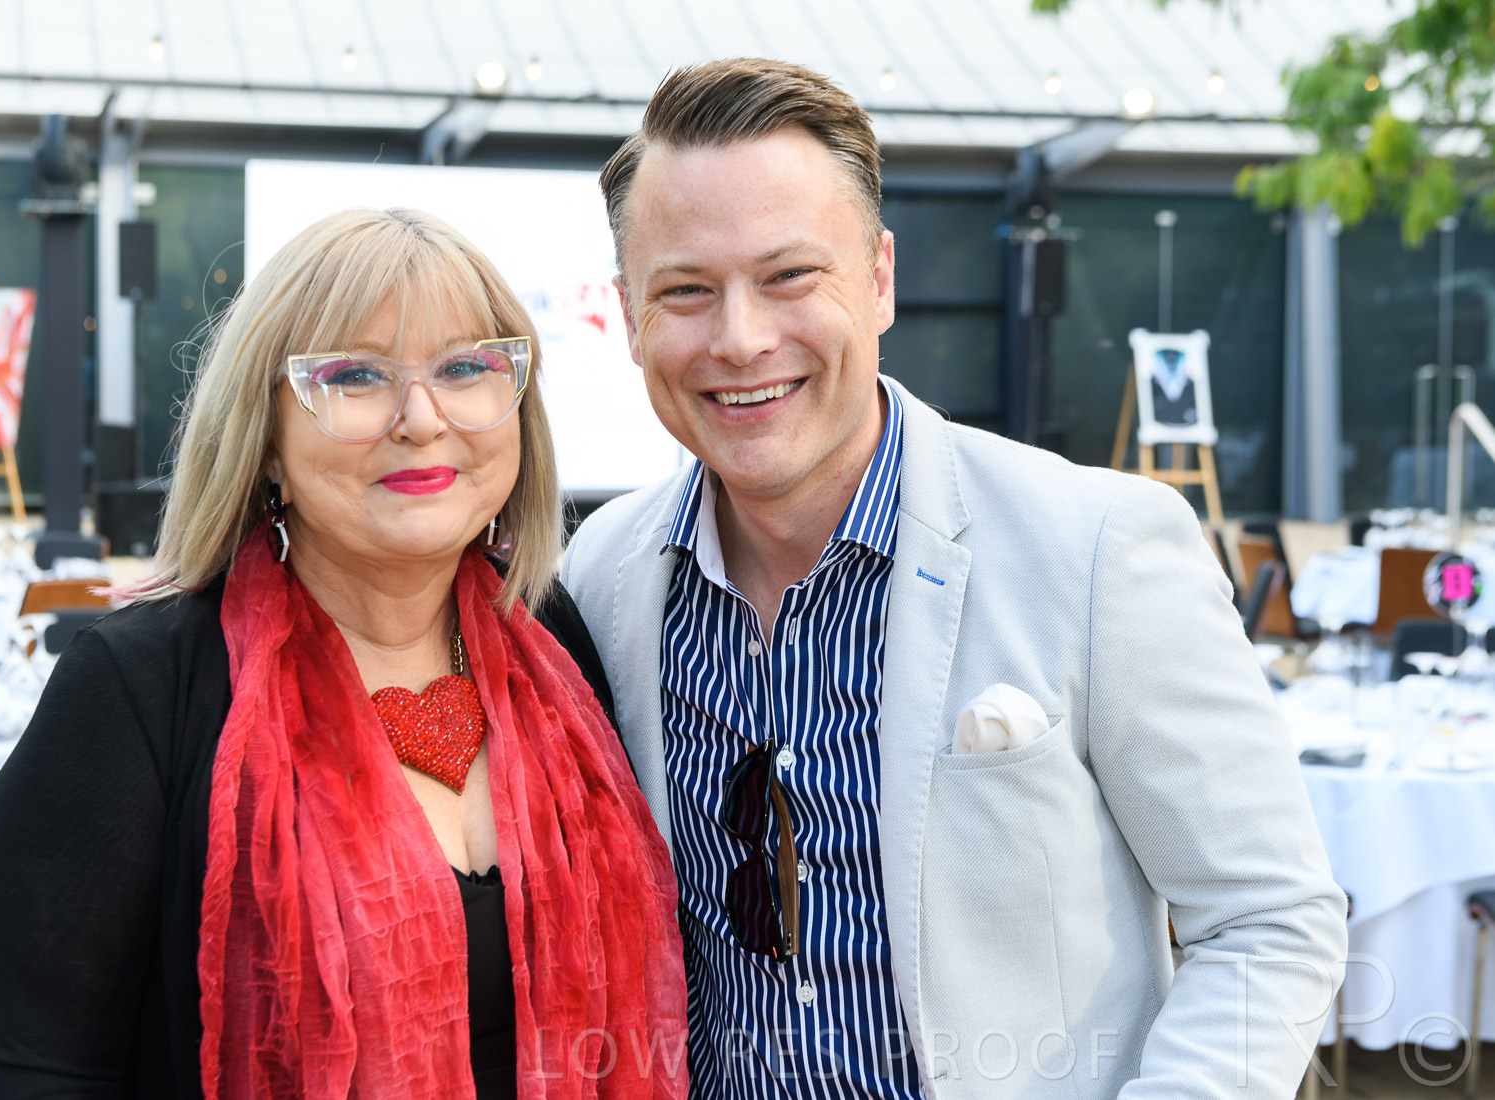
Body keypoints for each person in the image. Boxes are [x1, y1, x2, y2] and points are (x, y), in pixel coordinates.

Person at [562, 58, 1347, 1098]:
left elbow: (1269, 917)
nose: (741, 338)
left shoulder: (1098, 546)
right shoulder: (602, 576)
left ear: (880, 278)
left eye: (789, 276)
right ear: (629, 314)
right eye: (686, 290)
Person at [0, 208, 688, 1099]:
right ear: (266, 442)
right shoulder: (135, 690)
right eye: (355, 376)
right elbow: (30, 1070)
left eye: (466, 368)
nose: (421, 418)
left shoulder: (554, 641)